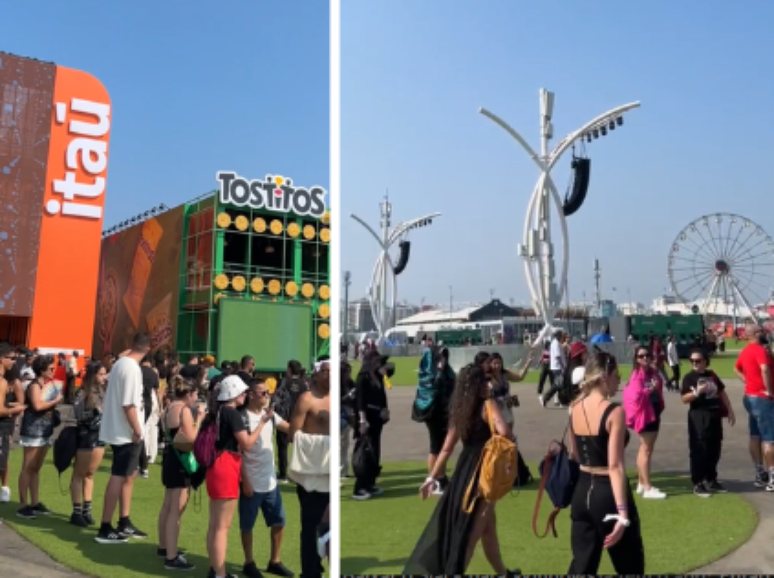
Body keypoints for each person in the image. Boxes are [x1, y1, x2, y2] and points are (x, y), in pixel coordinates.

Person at [404, 364, 518, 575]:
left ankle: (503, 573)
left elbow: (446, 449)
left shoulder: (460, 409)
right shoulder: (488, 404)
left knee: (488, 530)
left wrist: (431, 477)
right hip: (484, 474)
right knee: (470, 536)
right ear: (478, 384)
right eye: (484, 380)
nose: (488, 383)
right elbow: (505, 433)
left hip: (464, 472)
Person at [567, 350, 645, 574]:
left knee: (582, 566)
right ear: (604, 377)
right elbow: (615, 466)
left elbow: (575, 454)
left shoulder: (574, 407)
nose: (617, 381)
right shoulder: (614, 412)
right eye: (616, 376)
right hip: (607, 494)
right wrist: (622, 512)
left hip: (582, 492)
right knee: (630, 564)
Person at [205, 375, 263, 578]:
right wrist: (262, 423)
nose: (246, 395)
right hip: (227, 464)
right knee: (222, 527)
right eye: (243, 392)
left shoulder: (218, 411)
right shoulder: (232, 414)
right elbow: (246, 444)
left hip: (216, 464)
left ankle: (216, 569)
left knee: (215, 524)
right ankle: (220, 573)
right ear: (234, 393)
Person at [95, 332, 150, 544]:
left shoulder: (120, 364)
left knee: (128, 475)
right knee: (119, 476)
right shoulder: (130, 368)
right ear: (147, 349)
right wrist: (137, 429)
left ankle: (123, 520)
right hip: (125, 432)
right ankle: (105, 526)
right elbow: (129, 404)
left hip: (121, 429)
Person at [239, 378, 294, 578]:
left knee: (279, 521)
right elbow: (239, 452)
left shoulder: (270, 415)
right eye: (262, 393)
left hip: (270, 481)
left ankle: (275, 561)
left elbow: (289, 428)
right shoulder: (242, 417)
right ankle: (249, 562)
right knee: (247, 525)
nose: (267, 396)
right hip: (251, 482)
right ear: (251, 395)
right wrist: (244, 480)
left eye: (268, 392)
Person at [289, 358, 330, 578]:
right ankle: (310, 572)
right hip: (312, 475)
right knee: (311, 526)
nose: (330, 375)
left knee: (331, 527)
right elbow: (293, 435)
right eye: (325, 371)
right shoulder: (306, 399)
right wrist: (322, 446)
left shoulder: (338, 398)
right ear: (316, 373)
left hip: (332, 473)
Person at [157, 375, 200, 570]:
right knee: (177, 509)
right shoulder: (184, 410)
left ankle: (165, 547)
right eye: (196, 394)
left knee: (167, 505)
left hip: (168, 457)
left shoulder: (168, 407)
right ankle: (171, 557)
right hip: (180, 460)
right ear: (189, 394)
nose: (197, 398)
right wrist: (198, 419)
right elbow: (192, 439)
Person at [681, 348, 735, 497]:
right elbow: (684, 399)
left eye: (698, 361)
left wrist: (730, 410)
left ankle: (711, 479)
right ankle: (698, 482)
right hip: (699, 415)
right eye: (692, 361)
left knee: (714, 447)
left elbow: (722, 392)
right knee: (699, 449)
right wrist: (697, 392)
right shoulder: (689, 378)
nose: (695, 364)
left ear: (705, 361)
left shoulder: (712, 375)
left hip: (714, 414)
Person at [17, 354, 62, 519]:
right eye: (50, 368)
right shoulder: (35, 385)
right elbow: (37, 405)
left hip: (45, 429)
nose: (53, 370)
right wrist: (55, 401)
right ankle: (23, 504)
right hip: (33, 430)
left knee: (36, 468)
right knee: (27, 467)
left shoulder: (46, 384)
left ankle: (35, 502)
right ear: (42, 369)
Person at [623, 346, 666, 499]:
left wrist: (655, 385)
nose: (645, 358)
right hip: (645, 415)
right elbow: (635, 396)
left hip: (654, 412)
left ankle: (642, 482)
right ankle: (647, 487)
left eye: (647, 355)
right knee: (646, 449)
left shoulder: (652, 372)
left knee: (646, 448)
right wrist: (651, 389)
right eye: (641, 356)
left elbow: (659, 384)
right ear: (636, 359)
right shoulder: (637, 375)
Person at [735, 324, 774, 489]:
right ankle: (772, 475)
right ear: (756, 334)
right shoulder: (758, 350)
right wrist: (769, 390)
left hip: (750, 397)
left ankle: (760, 473)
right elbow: (764, 368)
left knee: (755, 435)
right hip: (762, 398)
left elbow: (736, 368)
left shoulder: (745, 351)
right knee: (769, 438)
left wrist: (747, 381)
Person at [70, 362, 108, 527]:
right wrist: (95, 411)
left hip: (100, 435)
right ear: (93, 375)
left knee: (90, 474)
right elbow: (78, 414)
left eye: (104, 374)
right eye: (101, 374)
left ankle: (87, 509)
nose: (104, 377)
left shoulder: (103, 391)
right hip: (86, 434)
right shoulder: (83, 392)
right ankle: (76, 511)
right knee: (79, 473)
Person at [352, 351, 391, 500]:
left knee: (374, 452)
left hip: (377, 420)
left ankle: (369, 483)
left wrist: (385, 409)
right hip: (366, 420)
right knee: (364, 453)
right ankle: (360, 486)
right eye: (379, 363)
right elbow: (360, 401)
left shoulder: (377, 377)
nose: (382, 366)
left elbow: (382, 395)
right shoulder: (363, 378)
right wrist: (362, 420)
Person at [273, 360, 308, 483]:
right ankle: (301, 472)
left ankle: (283, 474)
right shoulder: (303, 384)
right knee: (301, 446)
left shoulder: (284, 382)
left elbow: (276, 398)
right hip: (301, 418)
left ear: (289, 369)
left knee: (282, 447)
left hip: (285, 418)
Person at [0, 344, 26, 505]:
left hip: (5, 424)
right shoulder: (2, 382)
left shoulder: (10, 380)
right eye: (11, 358)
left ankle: (5, 488)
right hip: (2, 424)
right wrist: (17, 408)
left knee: (3, 459)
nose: (14, 362)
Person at [139, 355, 161, 478]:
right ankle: (150, 455)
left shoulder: (137, 370)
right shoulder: (153, 373)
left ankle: (143, 458)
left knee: (142, 431)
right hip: (150, 402)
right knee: (152, 429)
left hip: (139, 402)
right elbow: (157, 390)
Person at [541, 330, 566, 407]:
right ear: (559, 336)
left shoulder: (557, 343)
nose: (563, 337)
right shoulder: (555, 343)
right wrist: (562, 367)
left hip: (557, 367)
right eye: (562, 336)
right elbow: (558, 356)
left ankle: (561, 401)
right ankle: (546, 398)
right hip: (557, 367)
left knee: (559, 385)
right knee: (558, 385)